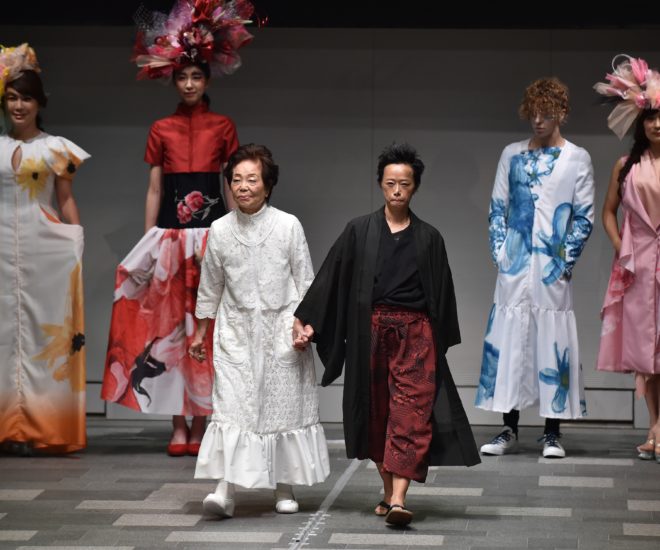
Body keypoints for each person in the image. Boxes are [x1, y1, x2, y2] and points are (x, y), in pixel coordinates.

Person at [293, 143, 479, 527]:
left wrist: (435, 342)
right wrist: (308, 319)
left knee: (411, 415)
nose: (397, 191)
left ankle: (398, 499)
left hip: (416, 334)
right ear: (380, 183)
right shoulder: (359, 230)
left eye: (405, 184)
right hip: (371, 334)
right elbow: (331, 276)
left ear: (415, 187)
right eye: (391, 183)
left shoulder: (429, 238)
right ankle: (388, 491)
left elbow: (442, 295)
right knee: (376, 414)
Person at [101, 0, 253, 456]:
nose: (188, 83)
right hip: (170, 240)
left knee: (205, 325)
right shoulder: (161, 128)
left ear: (207, 80)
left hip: (210, 237)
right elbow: (155, 188)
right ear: (174, 80)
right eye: (182, 76)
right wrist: (149, 239)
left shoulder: (223, 126)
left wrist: (237, 231)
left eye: (195, 77)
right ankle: (178, 425)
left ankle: (203, 421)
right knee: (167, 329)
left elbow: (229, 185)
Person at [189, 143, 329, 517]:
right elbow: (210, 286)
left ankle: (284, 487)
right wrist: (200, 333)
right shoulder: (219, 229)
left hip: (282, 332)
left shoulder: (288, 225)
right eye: (236, 179)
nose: (243, 186)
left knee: (281, 410)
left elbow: (305, 282)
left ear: (267, 185)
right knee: (232, 409)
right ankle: (224, 491)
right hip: (235, 333)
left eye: (252, 179)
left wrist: (304, 326)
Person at [475, 78, 595, 459]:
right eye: (534, 113)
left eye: (547, 113)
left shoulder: (577, 158)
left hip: (550, 267)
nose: (539, 120)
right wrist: (501, 254)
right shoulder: (511, 154)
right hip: (515, 266)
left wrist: (563, 261)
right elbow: (498, 208)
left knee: (552, 341)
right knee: (512, 339)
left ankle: (552, 432)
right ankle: (508, 428)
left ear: (562, 113)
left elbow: (584, 216)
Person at [0, 44, 90, 454]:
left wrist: (75, 239)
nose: (19, 106)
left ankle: (44, 426)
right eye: (12, 98)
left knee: (43, 336)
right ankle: (8, 426)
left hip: (44, 250)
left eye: (26, 98)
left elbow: (65, 199)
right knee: (4, 335)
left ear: (40, 102)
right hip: (1, 248)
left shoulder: (56, 148)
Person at [594, 54, 660, 462]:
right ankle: (655, 424)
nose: (657, 124)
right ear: (640, 122)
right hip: (638, 267)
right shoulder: (626, 165)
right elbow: (607, 212)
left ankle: (658, 429)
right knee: (645, 352)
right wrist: (622, 247)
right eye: (650, 117)